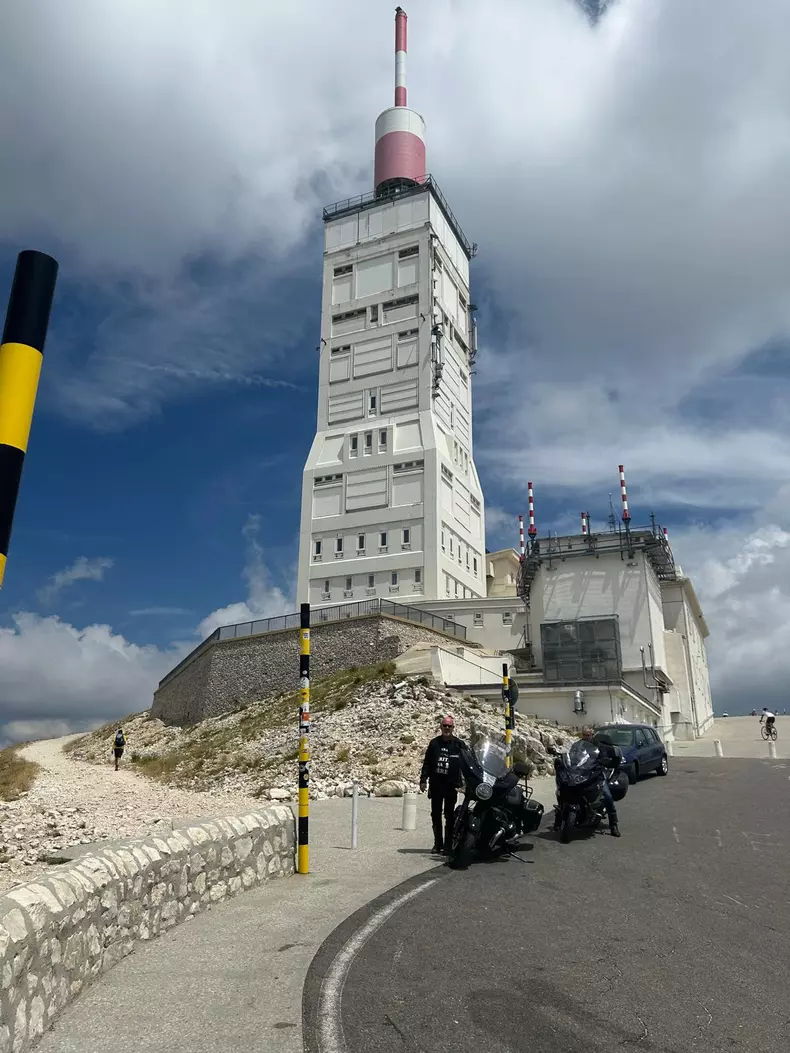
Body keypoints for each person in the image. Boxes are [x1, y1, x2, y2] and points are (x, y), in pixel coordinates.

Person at [420, 715, 467, 854]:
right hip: (436, 785)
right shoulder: (434, 743)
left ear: (453, 728)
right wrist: (423, 779)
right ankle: (437, 844)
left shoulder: (459, 744)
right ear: (441, 727)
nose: (447, 728)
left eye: (449, 726)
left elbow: (467, 762)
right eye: (444, 725)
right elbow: (427, 762)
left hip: (451, 785)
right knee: (435, 814)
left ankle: (448, 845)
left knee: (449, 815)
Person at [580, 726, 621, 837]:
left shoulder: (599, 745)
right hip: (582, 774)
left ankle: (613, 825)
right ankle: (560, 820)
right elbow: (572, 755)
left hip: (596, 775)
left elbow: (604, 757)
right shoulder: (579, 745)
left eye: (588, 735)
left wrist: (602, 761)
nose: (586, 737)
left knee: (607, 796)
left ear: (592, 735)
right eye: (584, 735)